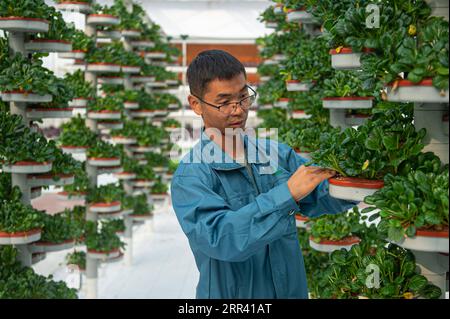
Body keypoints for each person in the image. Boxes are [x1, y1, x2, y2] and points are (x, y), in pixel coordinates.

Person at [170, 50, 356, 299]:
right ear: (196, 105)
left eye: (243, 97)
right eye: (224, 102)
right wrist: (286, 194)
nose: (238, 110)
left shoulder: (277, 154)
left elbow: (320, 194)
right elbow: (222, 238)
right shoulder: (192, 175)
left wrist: (363, 182)